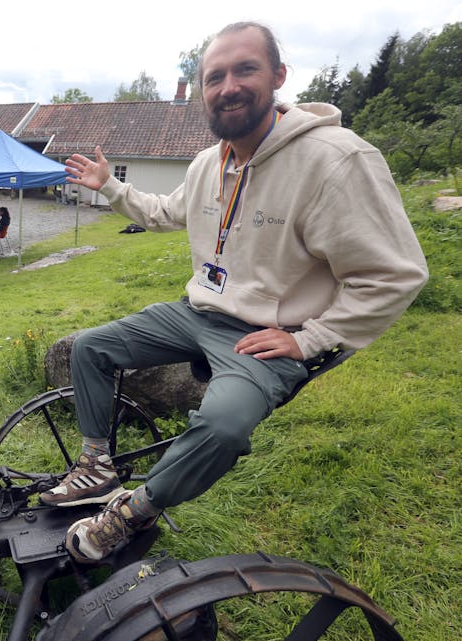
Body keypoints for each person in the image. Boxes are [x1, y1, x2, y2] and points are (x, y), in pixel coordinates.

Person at [51, 21, 429, 564]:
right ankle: (95, 467)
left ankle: (131, 512)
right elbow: (164, 213)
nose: (228, 86)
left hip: (263, 336)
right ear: (202, 92)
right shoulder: (211, 161)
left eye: (245, 69)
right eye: (214, 77)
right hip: (198, 311)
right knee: (90, 347)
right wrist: (110, 187)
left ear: (278, 75)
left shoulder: (335, 160)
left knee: (224, 425)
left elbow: (396, 272)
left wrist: (313, 338)